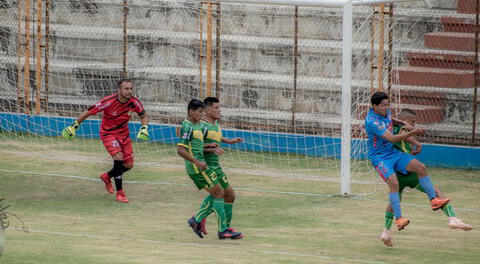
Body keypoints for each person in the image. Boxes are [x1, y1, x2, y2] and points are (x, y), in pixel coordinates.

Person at [380, 109, 473, 247]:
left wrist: (412, 149)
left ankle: (386, 232)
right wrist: (418, 143)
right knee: (435, 192)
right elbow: (405, 135)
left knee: (395, 201)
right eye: (413, 122)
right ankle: (452, 218)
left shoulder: (392, 129)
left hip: (400, 174)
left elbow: (403, 145)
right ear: (404, 119)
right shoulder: (401, 128)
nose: (414, 125)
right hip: (407, 174)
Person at [365, 91, 450, 231]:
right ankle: (399, 219)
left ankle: (434, 200)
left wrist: (402, 122)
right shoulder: (372, 122)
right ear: (374, 106)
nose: (387, 108)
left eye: (388, 105)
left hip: (392, 153)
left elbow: (389, 118)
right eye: (384, 105)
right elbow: (392, 138)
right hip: (380, 157)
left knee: (420, 167)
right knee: (394, 183)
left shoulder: (384, 111)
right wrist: (413, 133)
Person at [62, 79, 149, 203]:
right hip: (109, 134)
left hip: (124, 135)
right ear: (119, 90)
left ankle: (107, 176)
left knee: (128, 165)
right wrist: (75, 125)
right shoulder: (108, 101)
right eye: (126, 89)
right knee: (118, 157)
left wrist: (144, 128)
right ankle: (120, 193)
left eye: (131, 88)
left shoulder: (134, 102)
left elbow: (143, 115)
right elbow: (89, 111)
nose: (129, 91)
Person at [176, 99, 243, 240]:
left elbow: (198, 145)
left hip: (203, 165)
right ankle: (219, 228)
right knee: (219, 194)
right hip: (199, 166)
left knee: (224, 194)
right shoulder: (193, 125)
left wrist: (215, 145)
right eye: (199, 112)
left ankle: (201, 221)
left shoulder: (200, 125)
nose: (220, 110)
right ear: (191, 112)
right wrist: (198, 161)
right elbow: (181, 148)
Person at [196, 97, 244, 238]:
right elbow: (196, 146)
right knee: (221, 194)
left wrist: (228, 141)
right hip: (207, 166)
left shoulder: (215, 125)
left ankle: (223, 227)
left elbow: (214, 138)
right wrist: (211, 150)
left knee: (229, 195)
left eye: (219, 107)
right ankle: (214, 226)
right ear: (207, 110)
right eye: (216, 108)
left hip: (216, 166)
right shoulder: (202, 126)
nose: (219, 110)